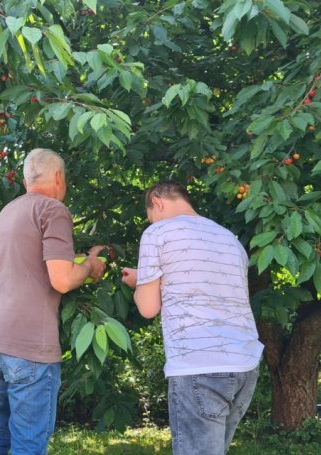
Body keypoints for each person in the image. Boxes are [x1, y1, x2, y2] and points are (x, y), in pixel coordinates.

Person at [0, 148, 106, 455]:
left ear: (25, 181)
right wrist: (90, 266)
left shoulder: (8, 211)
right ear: (58, 177)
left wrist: (79, 260)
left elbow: (31, 264)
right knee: (28, 443)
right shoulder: (52, 209)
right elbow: (62, 280)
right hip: (26, 347)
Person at [121, 180, 264, 455]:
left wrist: (138, 286)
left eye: (150, 214)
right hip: (244, 364)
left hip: (199, 365)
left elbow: (148, 308)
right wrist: (146, 277)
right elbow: (199, 285)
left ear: (157, 202)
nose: (152, 221)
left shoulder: (158, 232)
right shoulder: (228, 238)